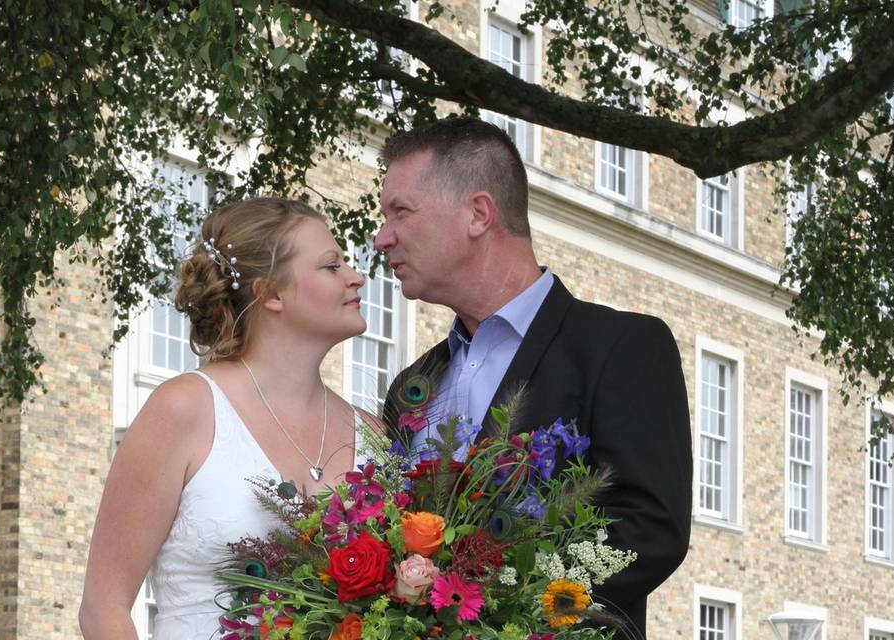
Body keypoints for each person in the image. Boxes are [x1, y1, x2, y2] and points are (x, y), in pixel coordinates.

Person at [376, 118, 692, 639]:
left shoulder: (623, 347)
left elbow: (650, 528)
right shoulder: (415, 384)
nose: (382, 236)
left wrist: (499, 609)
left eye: (400, 212)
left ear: (479, 213)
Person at [79, 198, 367, 639]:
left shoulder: (376, 436)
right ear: (270, 294)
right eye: (332, 266)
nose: (356, 277)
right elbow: (104, 609)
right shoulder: (183, 410)